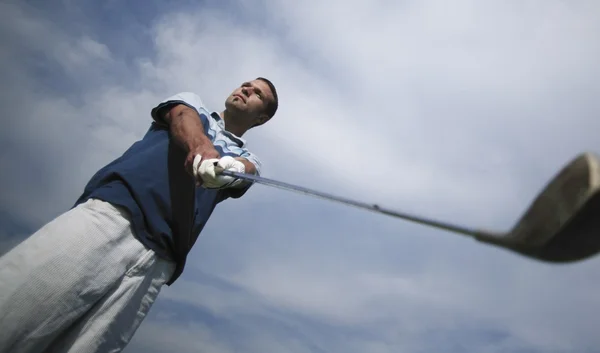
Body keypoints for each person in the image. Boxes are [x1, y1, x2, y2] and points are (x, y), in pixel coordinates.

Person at [0, 77, 279, 353]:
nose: (246, 90)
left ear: (262, 118)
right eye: (246, 85)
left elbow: (247, 171)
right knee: (15, 307)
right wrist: (201, 148)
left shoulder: (248, 157)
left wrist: (231, 169)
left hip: (157, 264)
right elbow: (182, 116)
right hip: (112, 217)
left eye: (257, 94)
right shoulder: (193, 106)